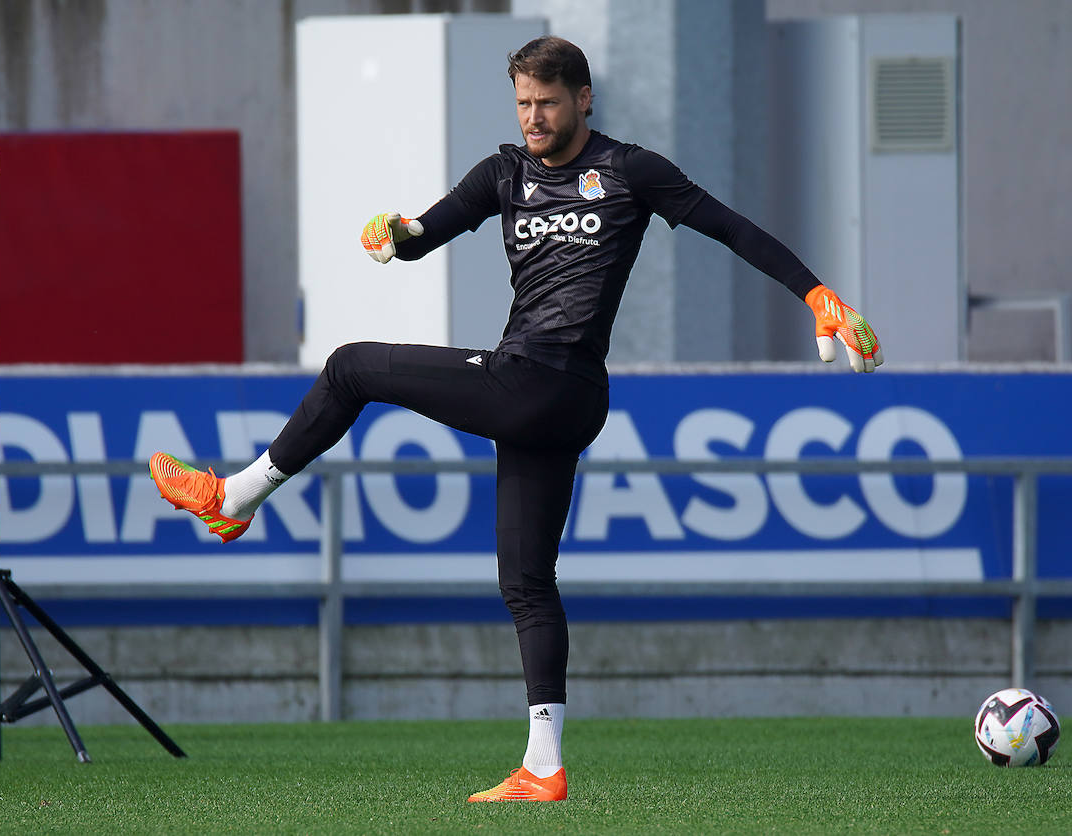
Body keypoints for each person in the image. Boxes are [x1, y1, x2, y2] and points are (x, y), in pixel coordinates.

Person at [148, 35, 882, 803]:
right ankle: (543, 766)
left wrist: (815, 293)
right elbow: (420, 238)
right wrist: (389, 235)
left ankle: (235, 498)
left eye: (548, 103)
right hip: (546, 400)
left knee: (349, 367)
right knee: (527, 583)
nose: (534, 117)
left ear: (584, 99)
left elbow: (733, 229)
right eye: (524, 103)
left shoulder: (630, 171)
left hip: (547, 383)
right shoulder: (503, 173)